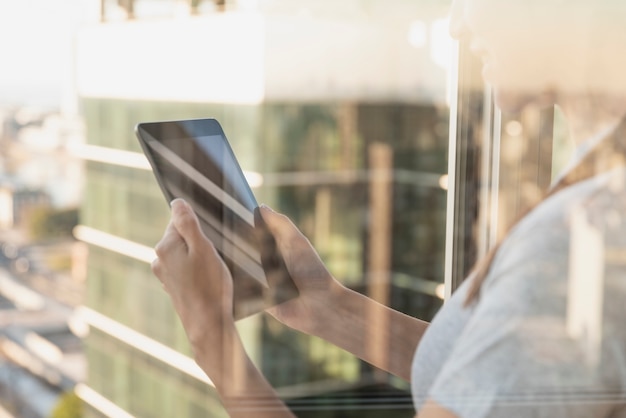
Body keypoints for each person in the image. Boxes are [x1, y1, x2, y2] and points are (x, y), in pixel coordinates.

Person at [151, 0, 626, 416]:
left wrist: (210, 336)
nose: (457, 25)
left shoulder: (576, 241)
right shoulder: (597, 194)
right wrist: (327, 306)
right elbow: (495, 376)